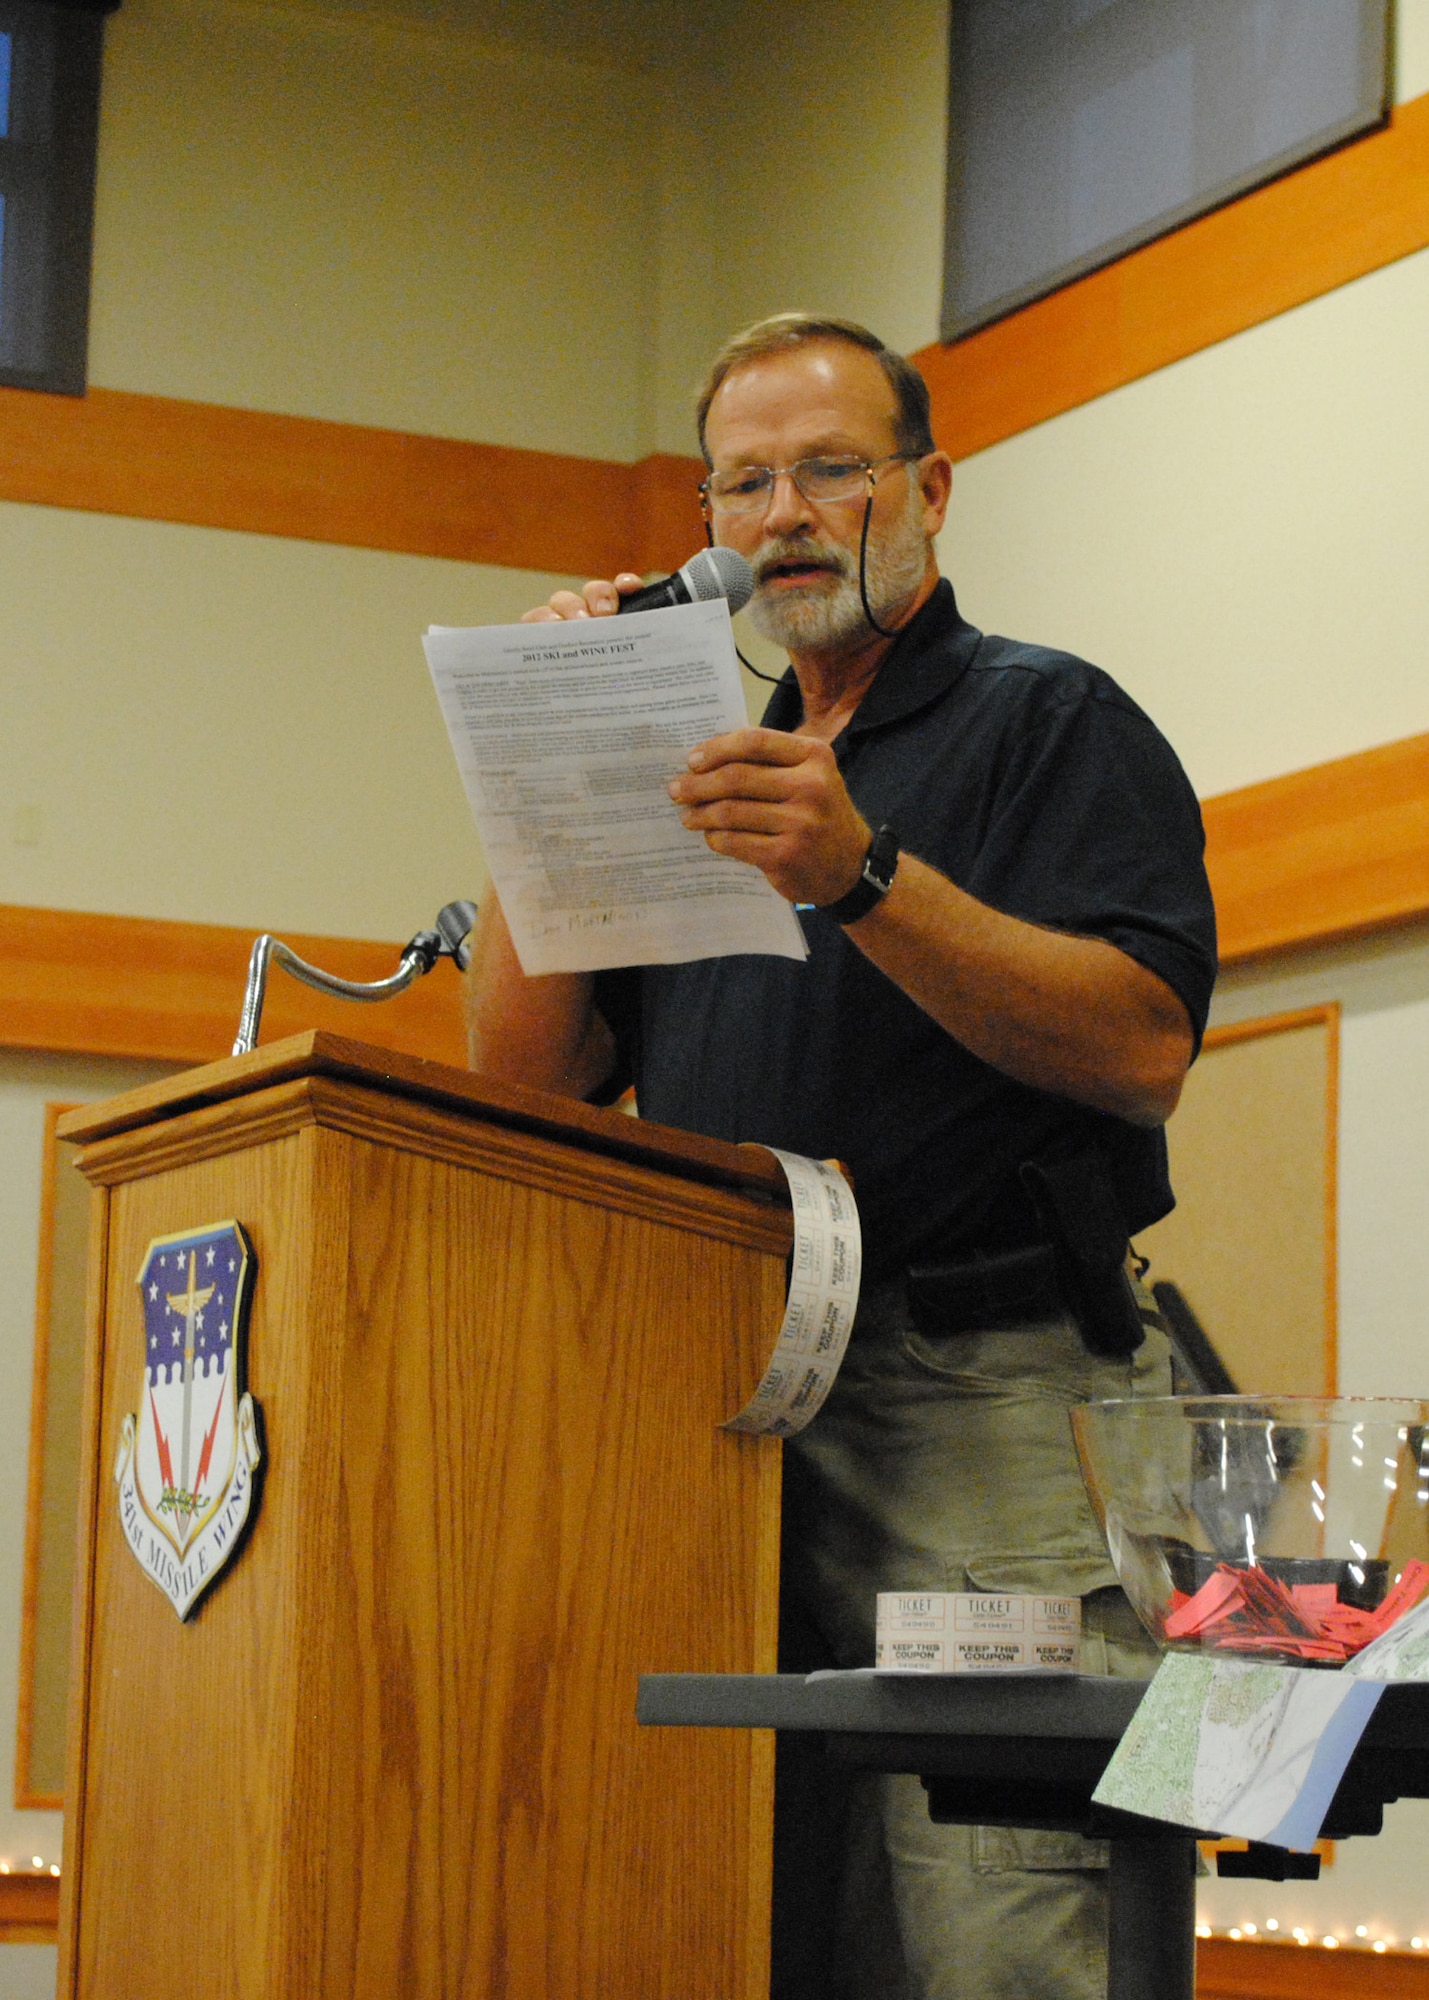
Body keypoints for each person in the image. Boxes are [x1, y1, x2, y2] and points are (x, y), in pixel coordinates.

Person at [465, 313, 1218, 2000]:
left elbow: (1141, 1050)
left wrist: (864, 876)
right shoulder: (696, 762)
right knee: (755, 1913)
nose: (783, 516)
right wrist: (549, 763)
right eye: (742, 483)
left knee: (1005, 1927)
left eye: (829, 470)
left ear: (929, 493)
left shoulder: (1045, 719)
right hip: (718, 1422)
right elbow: (531, 1073)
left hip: (994, 1406)